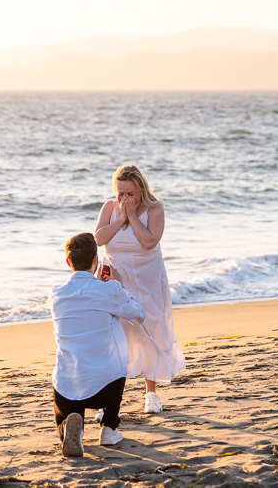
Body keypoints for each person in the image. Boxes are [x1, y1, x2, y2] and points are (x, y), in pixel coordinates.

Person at [94, 164, 185, 414]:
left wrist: (133, 216)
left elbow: (148, 242)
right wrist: (121, 217)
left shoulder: (155, 209)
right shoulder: (110, 208)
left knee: (152, 330)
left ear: (141, 189)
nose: (124, 199)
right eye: (120, 193)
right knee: (116, 337)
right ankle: (108, 399)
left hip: (148, 280)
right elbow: (99, 239)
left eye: (130, 194)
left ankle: (151, 394)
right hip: (118, 282)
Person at [49, 232, 147, 457]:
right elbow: (139, 315)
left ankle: (71, 428)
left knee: (71, 363)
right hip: (106, 389)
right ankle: (109, 428)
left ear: (68, 262)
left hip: (67, 388)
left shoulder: (55, 294)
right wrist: (118, 287)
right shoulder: (110, 290)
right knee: (114, 349)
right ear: (96, 261)